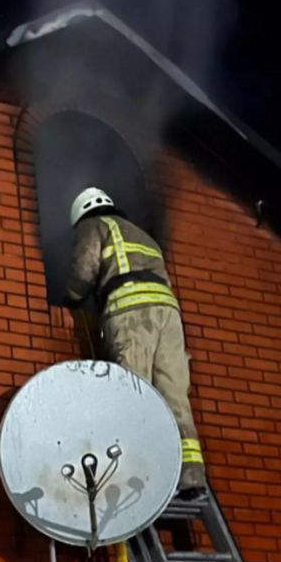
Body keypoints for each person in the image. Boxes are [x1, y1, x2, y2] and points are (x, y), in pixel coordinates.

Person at [63, 186, 209, 499]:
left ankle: (140, 472)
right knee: (173, 393)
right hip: (169, 316)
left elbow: (85, 267)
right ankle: (191, 476)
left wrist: (72, 297)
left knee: (133, 390)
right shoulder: (144, 237)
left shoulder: (95, 226)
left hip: (131, 312)